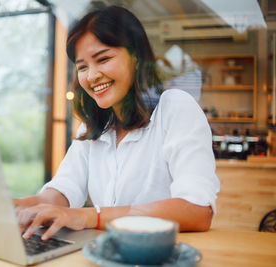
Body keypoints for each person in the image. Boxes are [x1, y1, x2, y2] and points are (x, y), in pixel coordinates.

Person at [14, 6, 220, 241]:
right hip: (109, 254)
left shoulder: (175, 108)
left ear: (136, 57)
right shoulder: (93, 126)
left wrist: (91, 216)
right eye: (82, 66)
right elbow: (64, 190)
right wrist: (20, 205)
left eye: (103, 59)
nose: (91, 76)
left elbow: (197, 210)